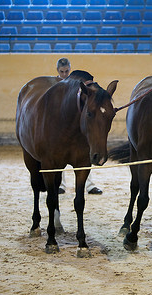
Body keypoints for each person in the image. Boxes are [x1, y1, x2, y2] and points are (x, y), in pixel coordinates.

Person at [56, 58, 103, 195]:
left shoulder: (77, 84)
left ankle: (90, 185)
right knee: (59, 156)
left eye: (66, 71)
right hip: (62, 127)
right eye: (62, 72)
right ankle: (61, 185)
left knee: (84, 155)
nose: (64, 74)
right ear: (58, 71)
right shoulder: (56, 86)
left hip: (78, 125)